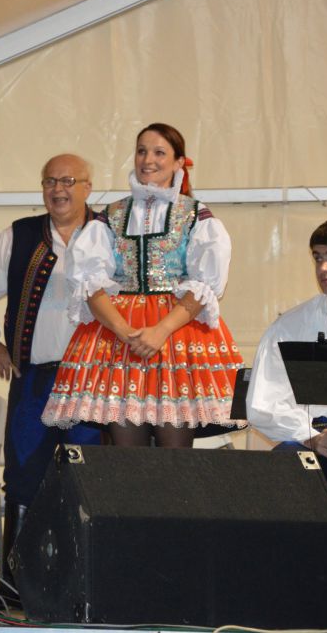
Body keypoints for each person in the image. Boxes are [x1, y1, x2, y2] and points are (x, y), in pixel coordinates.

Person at [41, 123, 244, 446]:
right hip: (119, 339)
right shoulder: (111, 216)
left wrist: (161, 331)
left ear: (179, 162)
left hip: (177, 336)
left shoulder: (194, 215)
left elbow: (204, 285)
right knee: (127, 455)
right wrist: (124, 332)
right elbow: (91, 284)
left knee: (174, 452)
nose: (148, 160)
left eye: (159, 152)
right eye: (141, 151)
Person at [0, 153, 102, 607]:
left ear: (88, 187)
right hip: (35, 380)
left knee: (90, 481)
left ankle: (83, 589)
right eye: (49, 181)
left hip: (94, 384)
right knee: (23, 478)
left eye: (68, 181)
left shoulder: (109, 234)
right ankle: (14, 584)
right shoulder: (19, 236)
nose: (58, 190)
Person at [247, 215, 327, 485]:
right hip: (315, 437)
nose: (323, 267)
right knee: (285, 461)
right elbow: (263, 404)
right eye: (318, 258)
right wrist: (312, 437)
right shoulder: (289, 326)